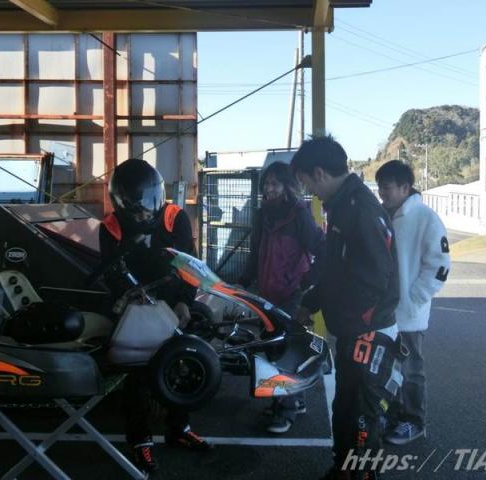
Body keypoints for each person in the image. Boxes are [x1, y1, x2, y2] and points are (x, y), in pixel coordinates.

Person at [291, 136, 402, 480]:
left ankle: (362, 474)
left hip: (367, 330)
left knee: (361, 416)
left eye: (307, 183)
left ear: (319, 173)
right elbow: (336, 270)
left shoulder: (359, 209)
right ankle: (342, 469)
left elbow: (377, 277)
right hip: (352, 329)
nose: (310, 192)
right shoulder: (343, 206)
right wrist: (312, 301)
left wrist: (352, 320)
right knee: (344, 407)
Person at [99, 158, 211, 473]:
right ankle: (140, 440)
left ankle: (180, 428)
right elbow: (112, 274)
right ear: (121, 204)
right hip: (135, 304)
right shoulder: (110, 227)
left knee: (181, 364)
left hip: (174, 302)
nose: (143, 215)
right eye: (135, 210)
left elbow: (190, 266)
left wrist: (185, 302)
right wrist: (130, 296)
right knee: (136, 372)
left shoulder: (175, 218)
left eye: (147, 207)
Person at [238, 161, 325, 434]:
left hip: (292, 295)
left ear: (287, 186)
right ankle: (295, 400)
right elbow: (255, 253)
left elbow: (320, 248)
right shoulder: (262, 215)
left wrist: (306, 281)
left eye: (275, 183)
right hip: (267, 294)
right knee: (273, 349)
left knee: (285, 352)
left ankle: (285, 411)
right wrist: (242, 282)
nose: (269, 189)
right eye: (266, 184)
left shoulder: (300, 214)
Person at [375, 160, 450, 445]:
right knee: (386, 368)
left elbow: (440, 265)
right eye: (380, 187)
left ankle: (415, 421)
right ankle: (393, 416)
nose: (382, 193)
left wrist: (414, 299)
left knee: (411, 371)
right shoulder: (382, 215)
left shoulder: (426, 217)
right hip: (383, 312)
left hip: (409, 314)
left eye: (387, 187)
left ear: (405, 187)